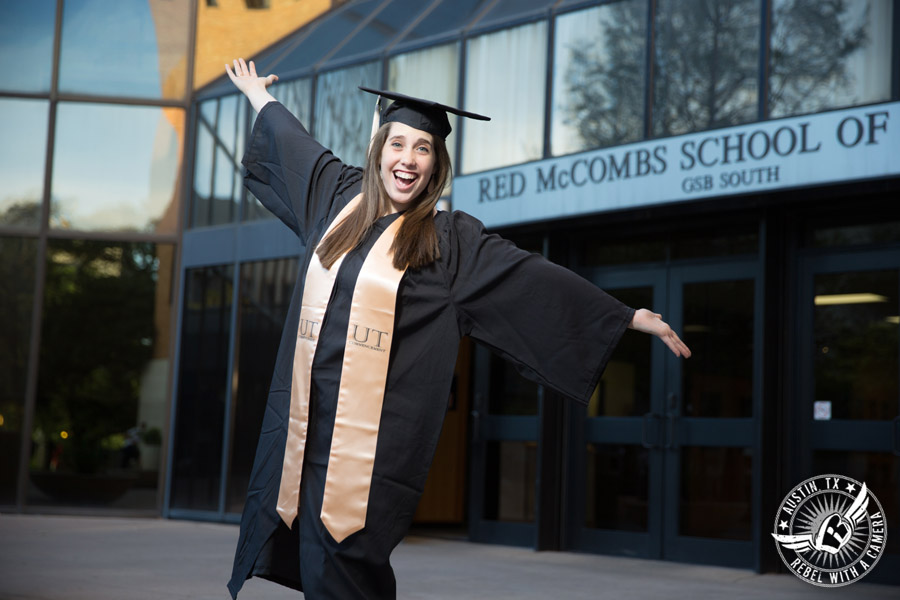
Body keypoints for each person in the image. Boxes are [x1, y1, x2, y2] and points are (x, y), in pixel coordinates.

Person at [224, 58, 690, 600]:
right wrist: (259, 97)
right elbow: (293, 141)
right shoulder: (336, 197)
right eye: (398, 144)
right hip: (300, 434)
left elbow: (528, 277)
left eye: (423, 149)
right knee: (305, 556)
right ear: (379, 149)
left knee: (342, 568)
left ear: (436, 164)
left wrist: (624, 316)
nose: (408, 159)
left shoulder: (448, 242)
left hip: (368, 453)